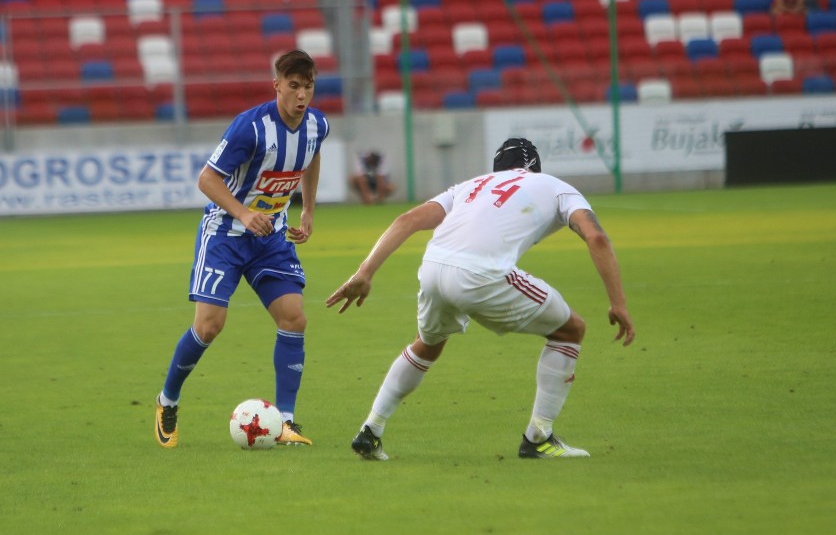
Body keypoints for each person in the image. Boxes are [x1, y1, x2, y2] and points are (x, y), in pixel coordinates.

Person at [326, 137, 636, 460]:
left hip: (433, 267)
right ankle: (539, 437)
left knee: (428, 343)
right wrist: (619, 304)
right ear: (534, 167)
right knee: (570, 330)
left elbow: (406, 220)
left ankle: (371, 429)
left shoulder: (472, 185)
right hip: (481, 273)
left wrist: (364, 272)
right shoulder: (555, 185)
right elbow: (596, 237)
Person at [154, 50, 330, 448]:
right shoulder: (250, 128)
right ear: (278, 86)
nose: (302, 95)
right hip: (226, 236)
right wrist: (244, 213)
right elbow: (207, 179)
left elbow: (313, 156)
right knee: (209, 326)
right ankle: (168, 400)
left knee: (294, 317)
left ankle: (285, 421)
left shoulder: (318, 125)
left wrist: (308, 211)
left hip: (271, 237)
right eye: (294, 86)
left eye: (309, 86)